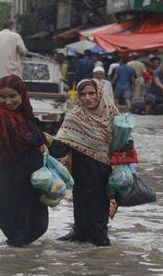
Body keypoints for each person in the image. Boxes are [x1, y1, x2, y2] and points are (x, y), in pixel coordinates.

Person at [44, 79, 121, 246]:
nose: (87, 97)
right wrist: (44, 140)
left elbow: (123, 141)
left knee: (99, 213)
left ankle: (99, 249)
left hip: (104, 172)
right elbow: (62, 147)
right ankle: (81, 243)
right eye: (83, 94)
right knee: (81, 210)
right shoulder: (75, 117)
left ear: (99, 94)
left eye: (91, 93)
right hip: (81, 172)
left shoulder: (112, 114)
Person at [0, 75, 48, 247]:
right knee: (18, 233)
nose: (8, 101)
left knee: (39, 227)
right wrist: (42, 139)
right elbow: (23, 139)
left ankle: (18, 261)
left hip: (30, 181)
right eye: (3, 97)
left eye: (12, 96)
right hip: (8, 182)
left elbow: (36, 138)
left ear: (22, 94)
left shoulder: (25, 114)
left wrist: (42, 140)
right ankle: (12, 262)